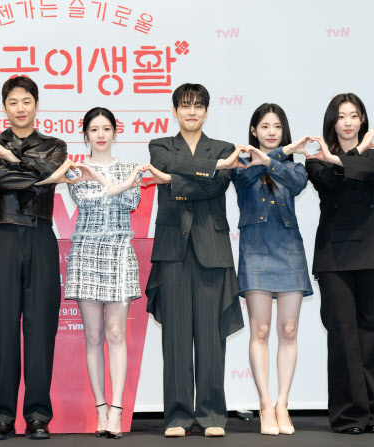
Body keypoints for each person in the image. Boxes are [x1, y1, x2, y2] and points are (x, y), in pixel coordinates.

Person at [143, 83, 245, 437]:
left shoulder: (225, 148)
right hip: (172, 248)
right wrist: (211, 168)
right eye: (185, 105)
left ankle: (212, 415)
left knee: (211, 336)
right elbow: (173, 166)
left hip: (211, 247)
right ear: (174, 111)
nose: (191, 111)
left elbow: (216, 187)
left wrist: (174, 180)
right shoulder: (160, 146)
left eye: (198, 105)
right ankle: (177, 417)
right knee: (175, 338)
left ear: (206, 111)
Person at [0, 76, 72, 440]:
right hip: (1, 236)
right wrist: (32, 172)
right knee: (2, 327)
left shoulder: (55, 145)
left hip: (40, 235)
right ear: (4, 106)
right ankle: (2, 415)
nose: (20, 108)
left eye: (26, 101)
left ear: (36, 104)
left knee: (40, 327)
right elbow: (6, 182)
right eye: (13, 102)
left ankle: (37, 415)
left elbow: (49, 172)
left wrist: (13, 162)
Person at [306, 93, 374, 435]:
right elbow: (329, 181)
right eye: (341, 116)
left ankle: (369, 413)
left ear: (362, 120)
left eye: (354, 115)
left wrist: (349, 157)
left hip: (373, 253)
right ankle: (348, 416)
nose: (348, 122)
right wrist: (345, 156)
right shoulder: (317, 160)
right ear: (332, 122)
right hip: (334, 257)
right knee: (343, 337)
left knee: (370, 337)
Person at [231, 103, 313, 435]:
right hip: (255, 250)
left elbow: (296, 184)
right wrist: (279, 153)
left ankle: (282, 404)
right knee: (261, 330)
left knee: (289, 330)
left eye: (277, 126)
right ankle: (265, 403)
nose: (271, 132)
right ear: (254, 131)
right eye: (264, 126)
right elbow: (245, 177)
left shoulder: (295, 168)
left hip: (289, 251)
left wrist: (277, 158)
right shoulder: (241, 164)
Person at [63, 107, 143, 438]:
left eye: (106, 128)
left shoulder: (129, 168)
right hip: (86, 254)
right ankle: (100, 408)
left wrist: (105, 182)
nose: (100, 135)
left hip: (119, 253)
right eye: (94, 129)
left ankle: (117, 410)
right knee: (94, 335)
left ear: (114, 132)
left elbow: (131, 201)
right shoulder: (74, 170)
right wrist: (113, 185)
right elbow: (86, 201)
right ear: (85, 134)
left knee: (115, 333)